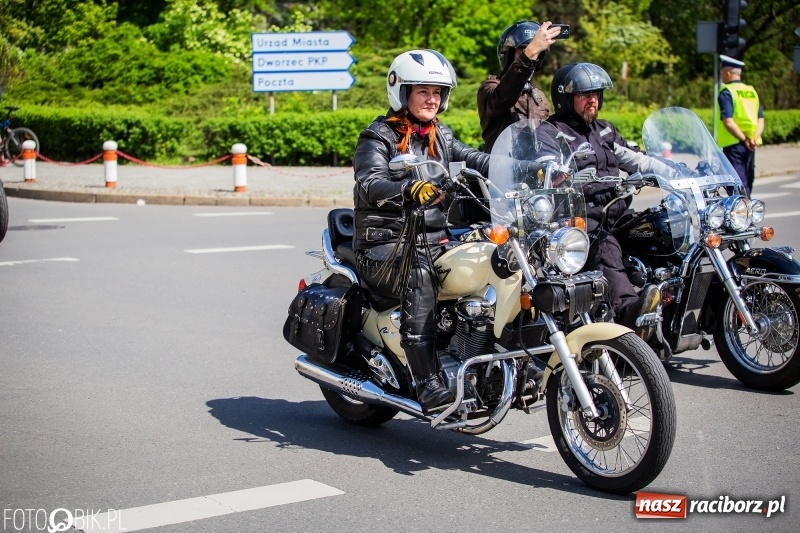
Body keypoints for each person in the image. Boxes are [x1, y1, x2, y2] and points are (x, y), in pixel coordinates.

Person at [352, 50, 491, 413]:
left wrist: (520, 167)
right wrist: (405, 189)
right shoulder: (377, 136)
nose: (432, 99)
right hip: (385, 244)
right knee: (421, 273)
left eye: (437, 92)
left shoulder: (439, 134)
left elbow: (471, 157)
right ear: (402, 93)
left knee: (494, 257)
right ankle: (427, 381)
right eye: (423, 91)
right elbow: (369, 182)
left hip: (433, 240)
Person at [547, 62, 676, 339]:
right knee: (605, 247)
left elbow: (636, 159)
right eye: (584, 95)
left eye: (596, 94)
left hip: (616, 213)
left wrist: (676, 172)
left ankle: (668, 298)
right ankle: (630, 313)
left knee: (658, 228)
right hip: (582, 221)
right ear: (566, 100)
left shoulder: (603, 130)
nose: (592, 100)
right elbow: (546, 170)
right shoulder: (552, 133)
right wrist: (563, 175)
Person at [477, 20, 562, 153]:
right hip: (500, 169)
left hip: (533, 170)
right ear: (508, 55)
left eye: (536, 52)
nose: (533, 56)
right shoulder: (490, 88)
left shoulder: (537, 95)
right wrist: (531, 51)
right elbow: (503, 98)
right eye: (523, 51)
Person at [716, 55, 764, 196]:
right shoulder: (751, 91)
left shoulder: (727, 92)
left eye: (721, 73)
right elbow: (760, 119)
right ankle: (747, 211)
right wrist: (753, 138)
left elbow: (728, 121)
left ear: (727, 73)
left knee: (737, 184)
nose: (721, 76)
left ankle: (743, 213)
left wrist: (743, 139)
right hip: (752, 143)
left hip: (734, 144)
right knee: (747, 182)